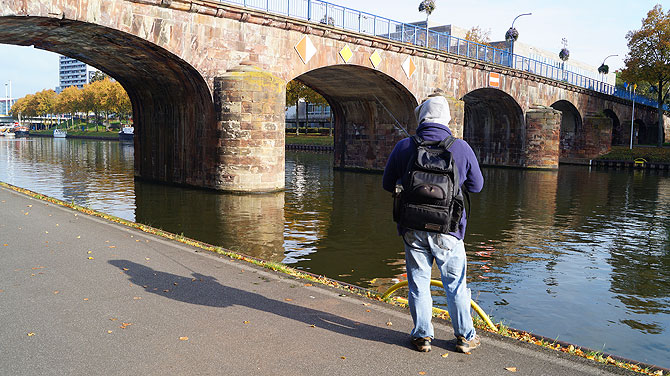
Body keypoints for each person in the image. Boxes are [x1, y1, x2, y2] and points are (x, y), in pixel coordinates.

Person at [382, 91, 484, 353]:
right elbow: (477, 185)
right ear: (446, 119)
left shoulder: (405, 146)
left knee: (418, 283)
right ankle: (464, 337)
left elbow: (386, 184)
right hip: (449, 228)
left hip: (412, 227)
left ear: (422, 118)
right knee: (455, 285)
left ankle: (422, 336)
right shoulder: (460, 147)